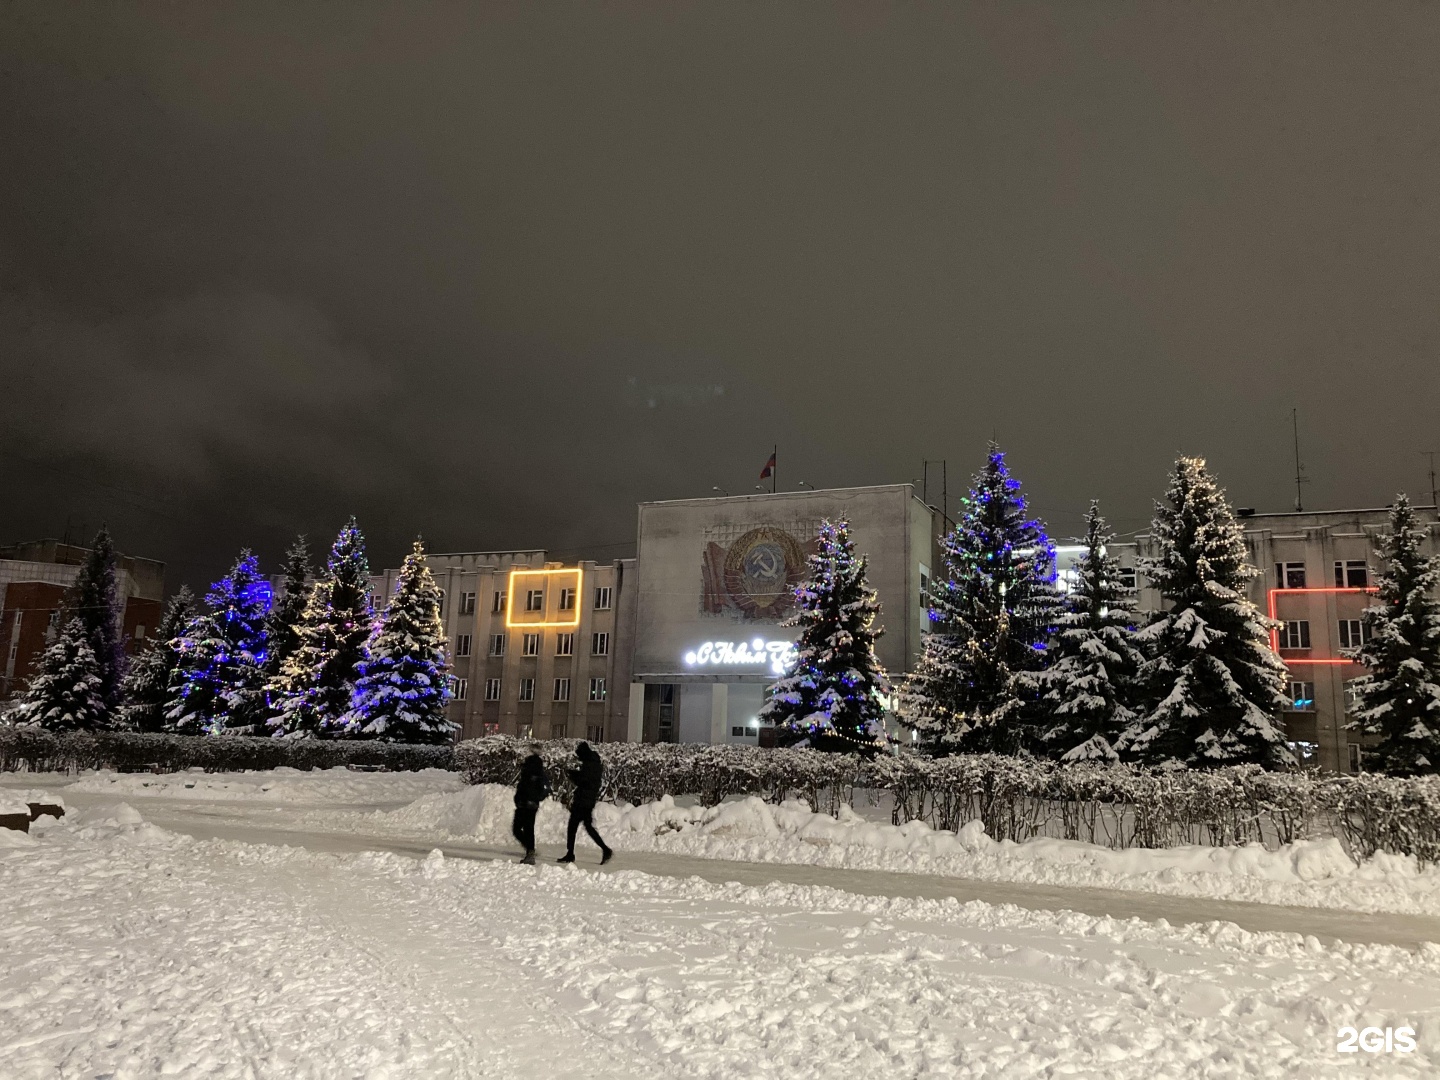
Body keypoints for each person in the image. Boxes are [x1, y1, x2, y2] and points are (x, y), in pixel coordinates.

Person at [558, 741, 612, 864]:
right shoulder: (594, 763)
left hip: (583, 800)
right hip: (588, 800)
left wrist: (571, 774)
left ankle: (571, 853)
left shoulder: (589, 765)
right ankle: (604, 849)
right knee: (587, 827)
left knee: (573, 826)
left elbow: (582, 780)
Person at [512, 751, 550, 865]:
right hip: (529, 804)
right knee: (527, 829)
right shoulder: (537, 774)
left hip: (525, 804)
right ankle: (530, 850)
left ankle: (530, 851)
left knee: (519, 829)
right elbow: (545, 789)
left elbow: (522, 787)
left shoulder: (530, 773)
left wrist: (519, 799)